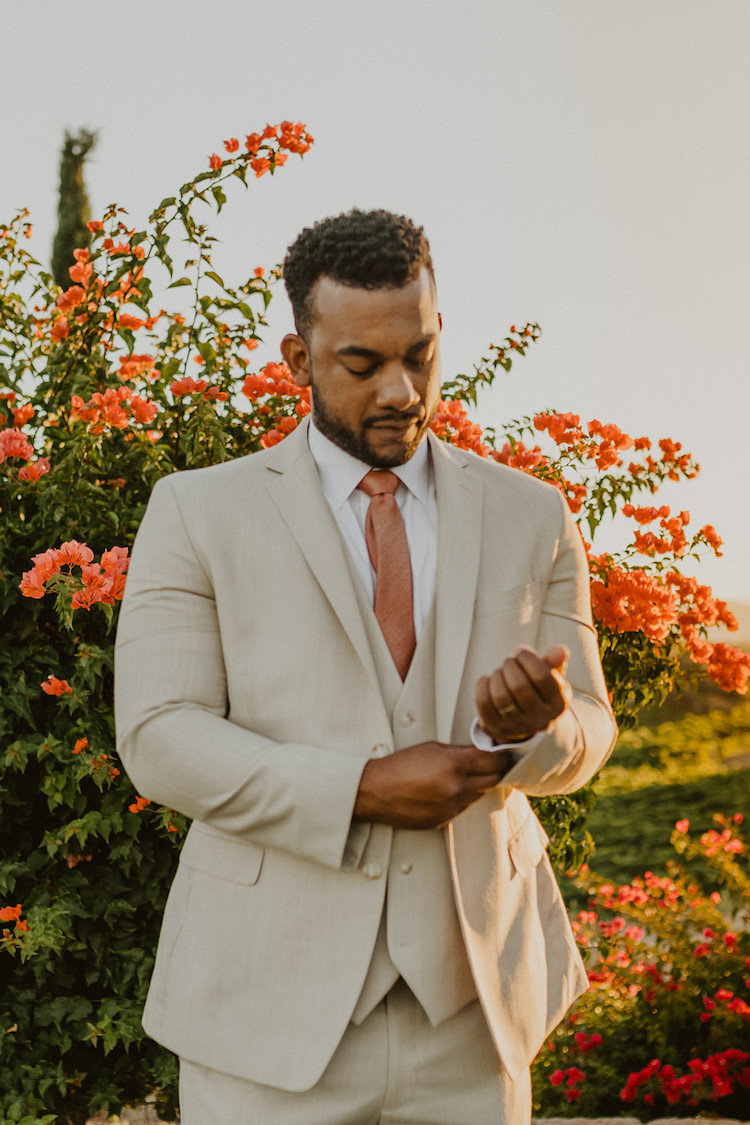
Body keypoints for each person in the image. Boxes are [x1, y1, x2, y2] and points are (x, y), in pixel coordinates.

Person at [114, 208, 617, 1124]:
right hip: (265, 1018)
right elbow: (159, 736)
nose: (401, 390)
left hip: (473, 1012)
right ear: (298, 359)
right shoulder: (195, 512)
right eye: (362, 364)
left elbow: (590, 723)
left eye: (419, 355)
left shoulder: (532, 513)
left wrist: (535, 731)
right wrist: (362, 788)